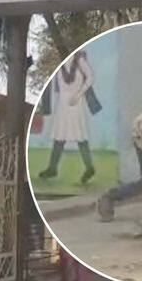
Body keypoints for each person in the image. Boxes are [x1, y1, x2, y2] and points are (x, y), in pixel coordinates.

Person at [39, 50, 96, 184]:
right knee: (59, 136)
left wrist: (79, 94)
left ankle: (89, 168)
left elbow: (90, 77)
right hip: (62, 103)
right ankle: (52, 168)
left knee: (80, 136)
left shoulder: (78, 60)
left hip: (76, 103)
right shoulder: (59, 63)